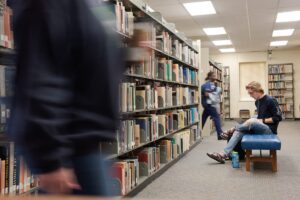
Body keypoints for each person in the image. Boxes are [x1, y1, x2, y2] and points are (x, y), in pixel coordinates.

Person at [8, 0, 124, 195]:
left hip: (85, 146)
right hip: (68, 148)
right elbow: (40, 73)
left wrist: (127, 56)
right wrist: (50, 159)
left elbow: (89, 64)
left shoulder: (90, 5)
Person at [207, 81, 282, 163]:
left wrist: (259, 120)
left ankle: (230, 130)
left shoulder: (271, 100)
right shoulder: (257, 101)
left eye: (251, 93)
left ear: (257, 90)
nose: (250, 95)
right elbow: (260, 116)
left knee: (252, 121)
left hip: (270, 130)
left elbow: (278, 117)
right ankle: (223, 154)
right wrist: (252, 120)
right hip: (259, 128)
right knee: (239, 131)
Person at [201, 71, 224, 140]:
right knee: (217, 118)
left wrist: (215, 91)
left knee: (203, 118)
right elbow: (206, 94)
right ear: (209, 77)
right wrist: (215, 92)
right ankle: (220, 135)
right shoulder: (207, 84)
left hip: (209, 105)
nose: (215, 77)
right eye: (213, 76)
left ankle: (198, 134)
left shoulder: (213, 84)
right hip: (209, 104)